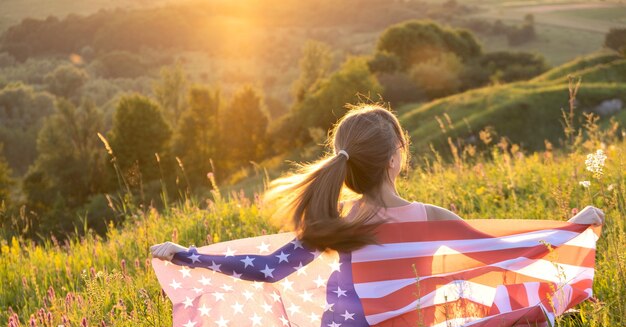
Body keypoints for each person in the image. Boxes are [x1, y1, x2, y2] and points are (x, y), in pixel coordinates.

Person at [151, 103, 604, 260]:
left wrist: (186, 254)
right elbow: (508, 252)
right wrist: (575, 226)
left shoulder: (336, 222)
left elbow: (265, 267)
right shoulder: (432, 218)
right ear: (395, 160)